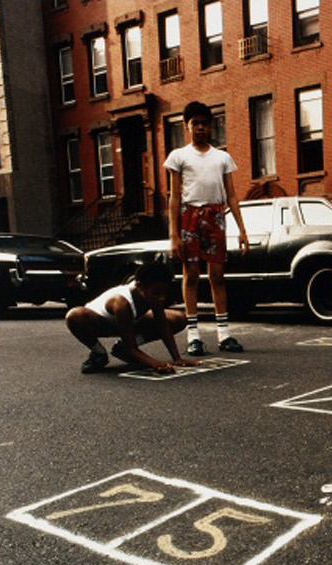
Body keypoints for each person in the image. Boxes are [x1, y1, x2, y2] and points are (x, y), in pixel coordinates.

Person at [165, 100, 249, 357]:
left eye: (204, 123)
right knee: (191, 274)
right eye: (195, 124)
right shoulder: (179, 156)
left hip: (215, 216)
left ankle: (223, 333)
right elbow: (175, 197)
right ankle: (194, 336)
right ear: (186, 126)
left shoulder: (222, 157)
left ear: (211, 126)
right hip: (190, 215)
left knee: (217, 275)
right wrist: (174, 234)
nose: (200, 128)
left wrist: (242, 229)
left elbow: (232, 195)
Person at [66, 262, 196, 374]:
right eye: (157, 293)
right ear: (139, 286)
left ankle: (121, 349)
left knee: (178, 318)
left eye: (163, 293)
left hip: (130, 323)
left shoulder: (153, 294)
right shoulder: (121, 302)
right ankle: (98, 353)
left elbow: (163, 325)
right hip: (102, 324)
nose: (161, 298)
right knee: (74, 315)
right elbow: (131, 347)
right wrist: (155, 364)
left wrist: (177, 358)